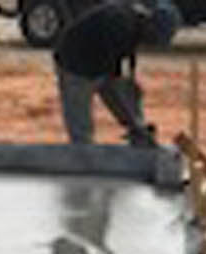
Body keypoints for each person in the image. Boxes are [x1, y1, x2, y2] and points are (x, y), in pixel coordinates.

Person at [52, 0, 179, 147]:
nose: (153, 43)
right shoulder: (120, 24)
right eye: (155, 38)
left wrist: (131, 98)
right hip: (74, 64)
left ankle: (137, 132)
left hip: (99, 60)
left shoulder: (136, 24)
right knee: (81, 127)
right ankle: (83, 155)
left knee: (129, 90)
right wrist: (129, 113)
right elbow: (111, 78)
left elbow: (124, 67)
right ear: (150, 25)